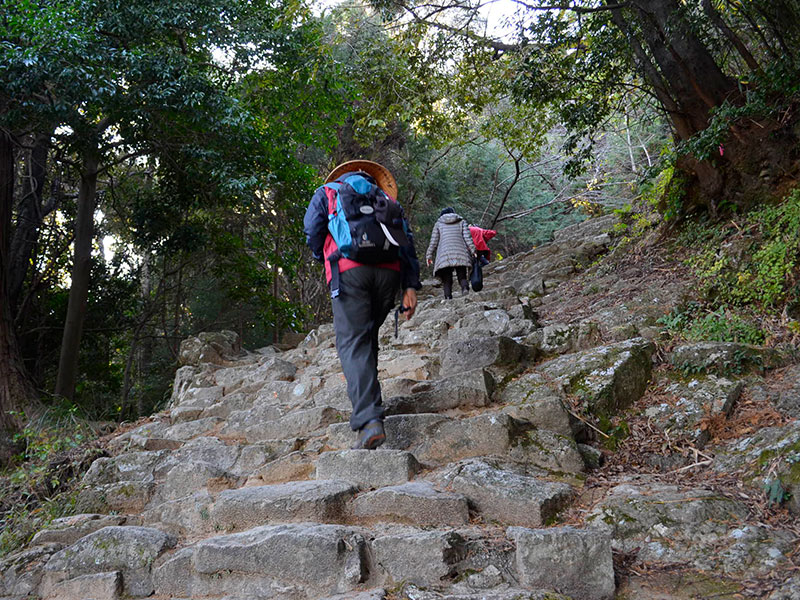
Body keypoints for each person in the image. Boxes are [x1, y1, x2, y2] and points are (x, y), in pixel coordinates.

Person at [303, 160, 422, 450]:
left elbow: (312, 229)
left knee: (354, 343)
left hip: (348, 273)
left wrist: (324, 255)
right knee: (366, 340)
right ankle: (373, 410)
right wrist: (410, 286)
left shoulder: (327, 192)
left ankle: (370, 422)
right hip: (389, 275)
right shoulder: (385, 199)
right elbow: (406, 242)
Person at [426, 207, 476, 299]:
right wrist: (473, 250)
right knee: (462, 274)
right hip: (460, 251)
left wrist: (429, 255)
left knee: (447, 278)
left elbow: (434, 241)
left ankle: (448, 296)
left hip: (444, 254)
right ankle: (465, 288)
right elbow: (467, 238)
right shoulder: (461, 222)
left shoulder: (438, 224)